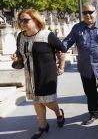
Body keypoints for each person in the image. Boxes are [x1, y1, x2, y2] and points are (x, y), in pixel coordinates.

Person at [11, 9, 66, 139]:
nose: (22, 23)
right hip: (30, 74)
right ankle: (42, 126)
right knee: (36, 101)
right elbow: (19, 52)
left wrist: (61, 66)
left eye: (26, 20)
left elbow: (62, 49)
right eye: (20, 20)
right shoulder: (20, 36)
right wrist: (16, 56)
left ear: (35, 20)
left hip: (47, 73)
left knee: (47, 100)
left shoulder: (47, 35)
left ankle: (58, 113)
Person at [63, 4, 98, 125]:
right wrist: (55, 46)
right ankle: (94, 112)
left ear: (96, 12)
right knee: (90, 91)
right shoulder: (77, 28)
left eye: (90, 12)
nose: (88, 15)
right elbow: (66, 42)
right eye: (84, 13)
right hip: (86, 66)